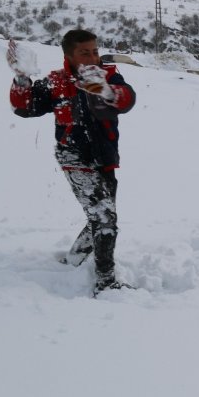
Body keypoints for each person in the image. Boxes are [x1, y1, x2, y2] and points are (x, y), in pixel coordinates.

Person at [8, 29, 136, 296]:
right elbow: (26, 107)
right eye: (84, 53)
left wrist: (105, 91)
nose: (92, 57)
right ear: (69, 55)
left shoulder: (108, 76)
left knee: (103, 215)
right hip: (73, 155)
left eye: (95, 51)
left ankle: (75, 259)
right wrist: (21, 78)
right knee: (104, 218)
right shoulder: (57, 81)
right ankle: (106, 282)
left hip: (106, 157)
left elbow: (126, 98)